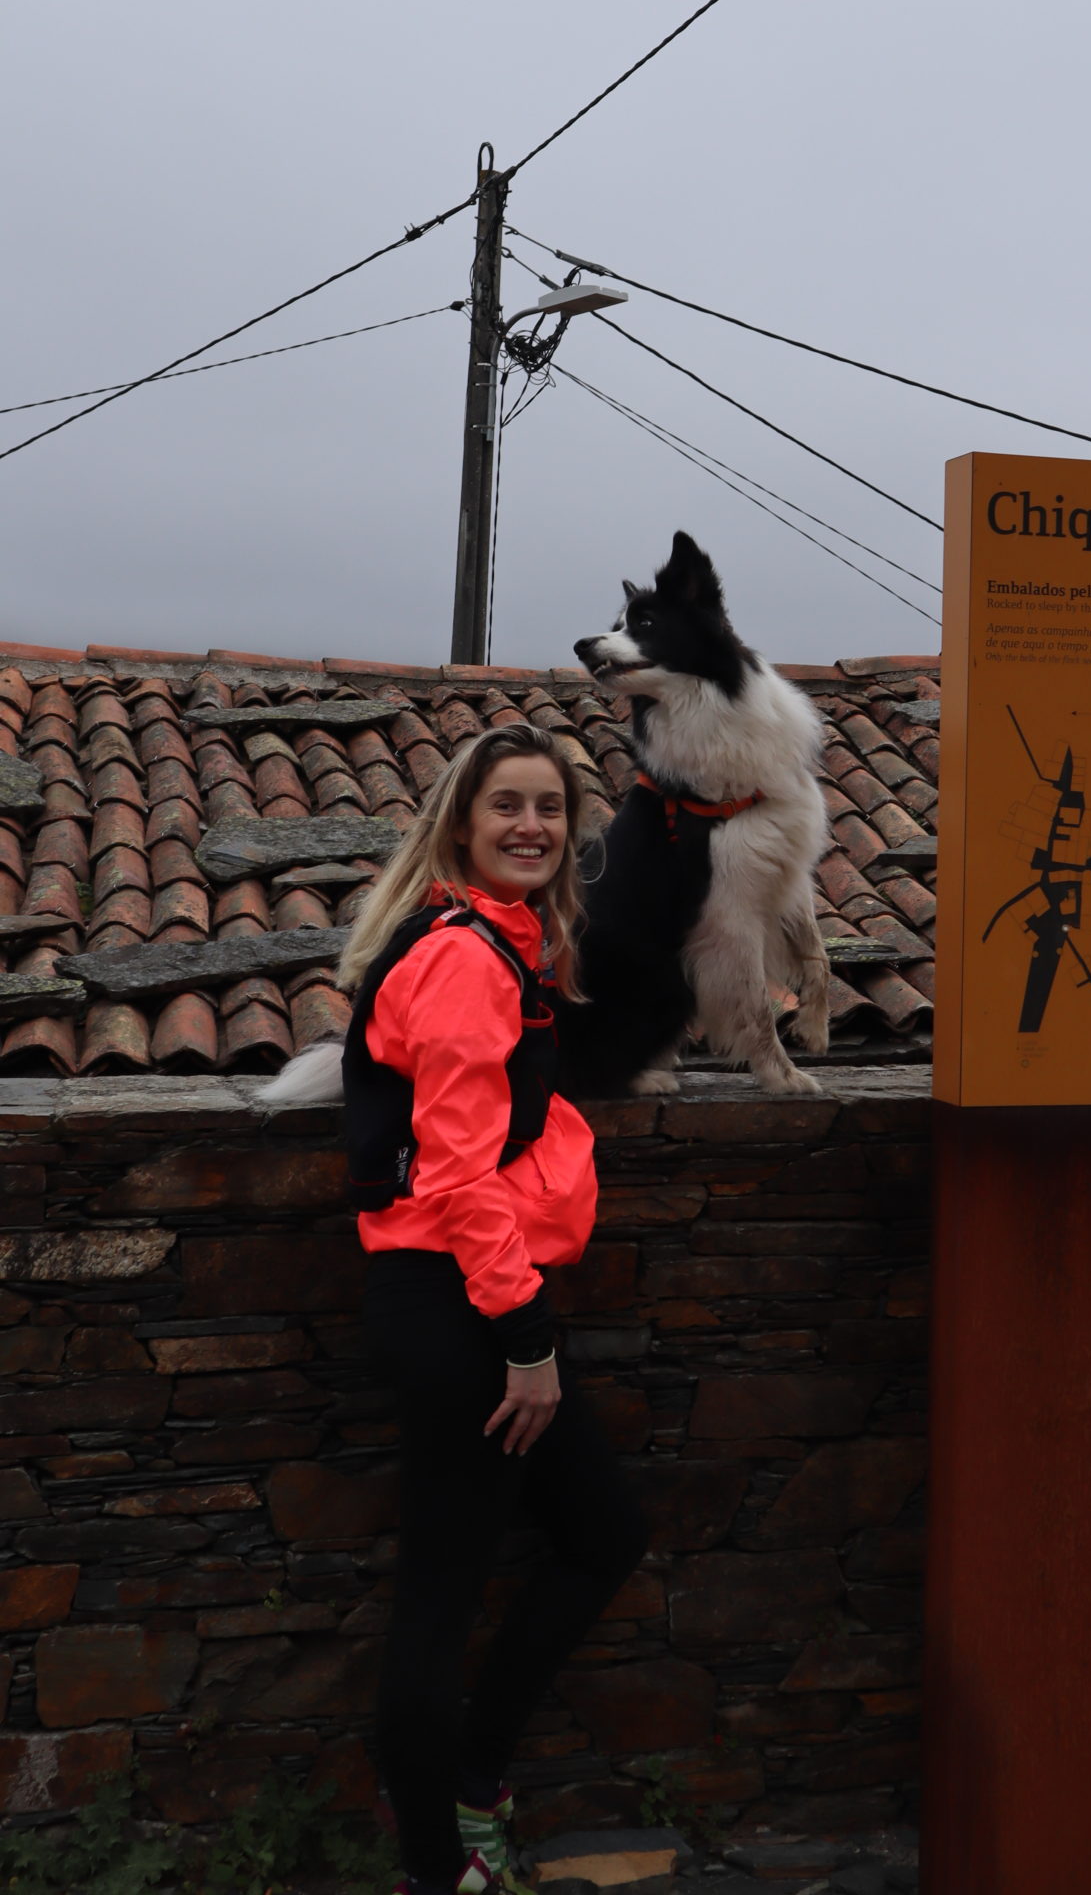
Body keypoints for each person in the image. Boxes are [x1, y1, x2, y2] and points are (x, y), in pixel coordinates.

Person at [339, 719, 649, 1895]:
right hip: (463, 1307)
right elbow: (458, 1172)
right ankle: (439, 1854)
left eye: (551, 807)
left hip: (464, 1297)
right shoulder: (466, 957)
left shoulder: (497, 943)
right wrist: (525, 1340)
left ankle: (466, 1781)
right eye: (508, 804)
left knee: (598, 1533)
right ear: (461, 823)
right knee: (443, 1590)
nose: (532, 824)